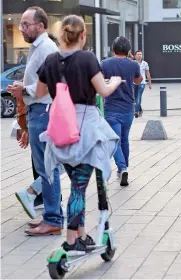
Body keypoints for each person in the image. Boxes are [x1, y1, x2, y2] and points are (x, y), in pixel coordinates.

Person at [37, 15, 121, 251]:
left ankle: (82, 235)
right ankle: (71, 240)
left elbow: (41, 92)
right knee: (78, 188)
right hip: (85, 131)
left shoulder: (51, 60)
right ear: (83, 35)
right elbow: (103, 91)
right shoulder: (87, 58)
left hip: (60, 131)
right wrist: (114, 81)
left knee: (76, 183)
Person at [7, 6, 63, 236]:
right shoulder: (38, 48)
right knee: (46, 167)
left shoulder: (46, 48)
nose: (22, 28)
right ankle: (52, 215)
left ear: (40, 26)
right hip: (38, 110)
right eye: (21, 24)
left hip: (43, 110)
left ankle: (53, 219)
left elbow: (51, 83)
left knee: (47, 168)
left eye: (26, 24)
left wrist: (24, 90)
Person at [101, 37, 143, 186]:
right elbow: (138, 81)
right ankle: (123, 169)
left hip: (111, 108)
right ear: (129, 50)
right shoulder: (133, 65)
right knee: (124, 139)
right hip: (128, 108)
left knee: (115, 141)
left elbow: (98, 81)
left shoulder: (105, 64)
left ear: (113, 49)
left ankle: (122, 167)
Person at [134, 50, 152, 118]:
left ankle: (136, 111)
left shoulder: (145, 63)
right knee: (135, 97)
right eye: (138, 54)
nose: (139, 55)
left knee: (139, 96)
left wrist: (150, 83)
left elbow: (148, 73)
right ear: (135, 55)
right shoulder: (133, 63)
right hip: (134, 82)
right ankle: (140, 109)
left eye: (140, 54)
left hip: (142, 82)